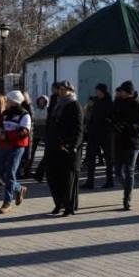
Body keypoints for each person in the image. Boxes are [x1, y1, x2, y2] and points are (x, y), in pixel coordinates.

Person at [46, 81, 83, 216]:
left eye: (64, 89)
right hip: (53, 146)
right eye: (60, 89)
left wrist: (73, 146)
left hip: (68, 148)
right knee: (52, 177)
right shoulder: (57, 104)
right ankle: (58, 203)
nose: (61, 92)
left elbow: (79, 129)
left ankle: (68, 206)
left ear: (70, 91)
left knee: (67, 180)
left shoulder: (74, 105)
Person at [111, 81, 139, 211]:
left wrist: (132, 127)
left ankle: (127, 199)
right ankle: (128, 187)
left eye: (122, 91)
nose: (119, 93)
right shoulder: (117, 102)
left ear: (128, 92)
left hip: (133, 142)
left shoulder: (138, 104)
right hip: (119, 140)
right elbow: (113, 118)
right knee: (117, 172)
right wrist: (114, 125)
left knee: (129, 170)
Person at [0, 89, 31, 214]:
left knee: (10, 172)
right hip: (4, 146)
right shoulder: (5, 113)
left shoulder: (24, 115)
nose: (6, 101)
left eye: (8, 100)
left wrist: (7, 136)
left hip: (17, 147)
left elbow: (24, 132)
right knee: (0, 172)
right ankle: (18, 188)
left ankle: (7, 202)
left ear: (14, 102)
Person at [83, 83, 115, 189]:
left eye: (99, 91)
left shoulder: (109, 102)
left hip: (106, 134)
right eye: (96, 91)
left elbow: (112, 118)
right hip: (93, 133)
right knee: (90, 157)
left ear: (103, 91)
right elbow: (89, 114)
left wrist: (107, 122)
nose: (97, 93)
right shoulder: (95, 101)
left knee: (108, 159)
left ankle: (110, 181)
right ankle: (89, 182)